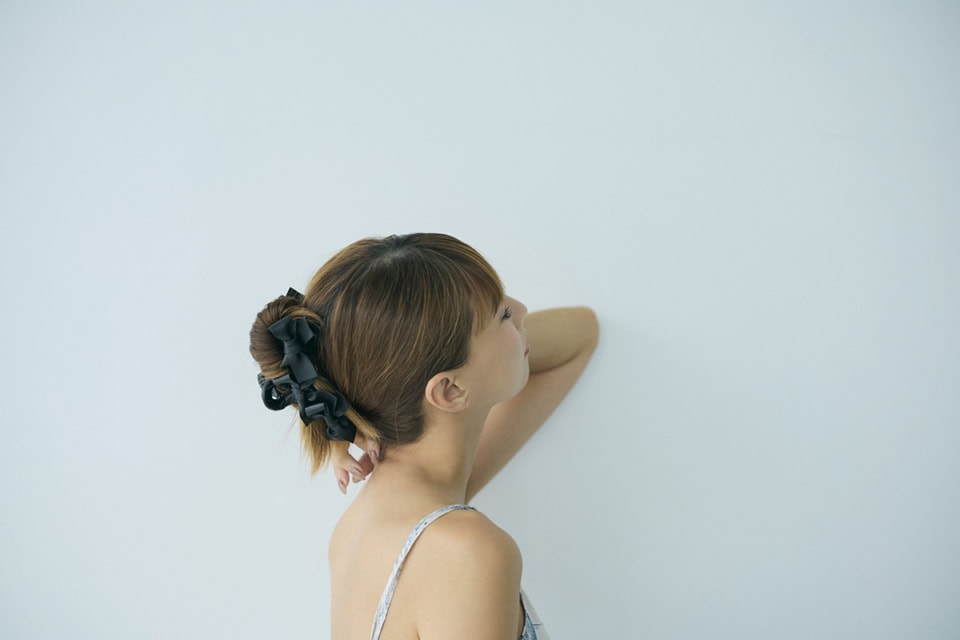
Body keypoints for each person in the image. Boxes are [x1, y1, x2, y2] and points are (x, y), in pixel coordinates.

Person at [249, 233, 598, 639]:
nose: (522, 309)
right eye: (503, 315)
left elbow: (581, 333)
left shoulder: (376, 516)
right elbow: (579, 335)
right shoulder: (465, 552)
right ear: (449, 391)